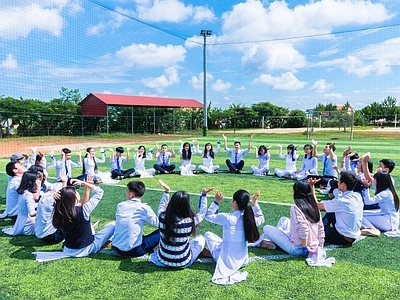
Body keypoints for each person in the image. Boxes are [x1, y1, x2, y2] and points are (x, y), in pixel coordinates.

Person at [203, 189, 264, 285]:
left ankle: (211, 253)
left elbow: (208, 215)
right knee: (221, 241)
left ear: (235, 202)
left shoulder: (227, 217)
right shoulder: (250, 220)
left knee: (208, 234)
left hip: (226, 261)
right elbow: (261, 218)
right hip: (243, 261)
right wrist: (255, 203)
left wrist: (216, 202)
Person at [148, 180, 213, 268]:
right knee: (201, 238)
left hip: (162, 259)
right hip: (183, 262)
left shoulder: (162, 217)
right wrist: (204, 195)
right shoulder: (190, 221)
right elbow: (202, 213)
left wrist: (167, 191)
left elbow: (161, 206)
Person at [52, 180, 115, 257]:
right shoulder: (84, 210)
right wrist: (84, 183)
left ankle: (100, 241)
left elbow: (63, 200)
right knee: (113, 225)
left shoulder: (58, 211)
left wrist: (56, 197)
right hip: (86, 249)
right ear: (74, 197)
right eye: (75, 192)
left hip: (68, 249)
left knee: (86, 223)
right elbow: (99, 192)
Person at [261, 180, 325, 256]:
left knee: (266, 228)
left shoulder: (295, 208)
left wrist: (304, 248)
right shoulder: (315, 207)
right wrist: (320, 247)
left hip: (297, 248)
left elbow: (304, 228)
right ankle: (273, 242)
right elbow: (321, 228)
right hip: (311, 245)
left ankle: (271, 242)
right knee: (283, 220)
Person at [309, 171, 363, 246]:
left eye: (339, 181)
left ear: (343, 185)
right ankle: (322, 226)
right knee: (331, 212)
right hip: (353, 234)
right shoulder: (357, 196)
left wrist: (312, 186)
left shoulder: (341, 201)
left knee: (312, 229)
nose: (337, 182)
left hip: (342, 237)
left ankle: (319, 227)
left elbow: (317, 205)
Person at [113, 181, 160, 257]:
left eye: (127, 191)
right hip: (135, 251)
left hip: (117, 248)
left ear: (131, 194)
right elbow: (158, 224)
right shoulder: (144, 208)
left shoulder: (120, 205)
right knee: (162, 231)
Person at [2, 170, 43, 236]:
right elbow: (32, 213)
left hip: (22, 223)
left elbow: (27, 206)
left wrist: (41, 204)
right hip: (29, 227)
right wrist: (43, 209)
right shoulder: (28, 195)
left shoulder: (23, 192)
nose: (39, 181)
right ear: (32, 181)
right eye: (37, 179)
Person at [360, 172, 399, 236]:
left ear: (379, 181)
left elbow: (368, 202)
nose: (373, 180)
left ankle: (371, 228)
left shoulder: (385, 193)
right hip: (389, 218)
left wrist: (366, 188)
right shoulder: (388, 189)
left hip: (388, 222)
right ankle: (365, 226)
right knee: (362, 213)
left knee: (359, 215)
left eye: (374, 179)